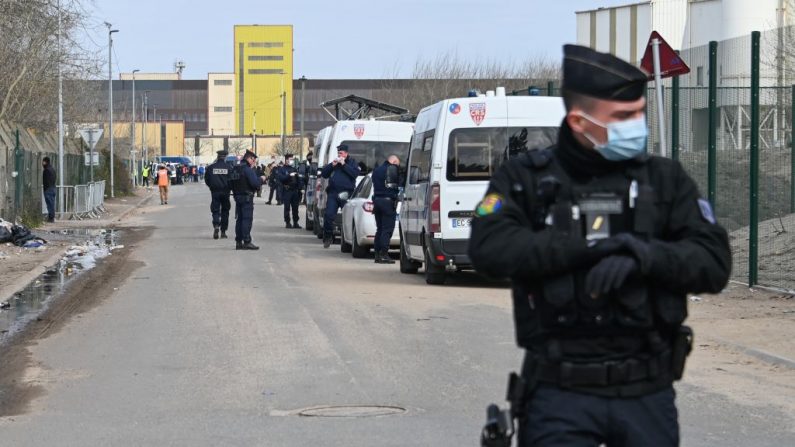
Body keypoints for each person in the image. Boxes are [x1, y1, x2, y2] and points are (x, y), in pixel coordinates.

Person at [469, 44, 732, 447]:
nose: (638, 125)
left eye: (640, 113)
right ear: (579, 121)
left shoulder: (664, 180)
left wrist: (644, 256)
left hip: (645, 389)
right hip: (559, 393)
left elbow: (714, 262)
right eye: (624, 117)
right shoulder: (525, 178)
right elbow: (488, 248)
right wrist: (584, 248)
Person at [320, 144, 360, 248]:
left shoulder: (352, 163)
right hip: (333, 193)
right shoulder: (335, 163)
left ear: (346, 153)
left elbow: (355, 174)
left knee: (347, 217)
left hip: (346, 194)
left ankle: (347, 240)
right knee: (328, 215)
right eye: (338, 153)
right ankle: (328, 237)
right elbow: (324, 174)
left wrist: (344, 165)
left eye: (341, 153)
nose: (339, 155)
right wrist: (331, 165)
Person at [231, 150, 266, 250]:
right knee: (247, 220)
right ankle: (247, 241)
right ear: (249, 158)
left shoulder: (236, 169)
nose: (254, 162)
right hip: (247, 198)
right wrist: (261, 179)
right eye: (253, 159)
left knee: (239, 220)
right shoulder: (247, 170)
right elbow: (255, 183)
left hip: (237, 197)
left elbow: (230, 182)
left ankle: (238, 242)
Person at [370, 155, 400, 264]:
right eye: (397, 164)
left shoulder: (376, 170)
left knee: (380, 229)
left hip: (377, 201)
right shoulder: (392, 169)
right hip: (387, 202)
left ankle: (377, 255)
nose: (397, 167)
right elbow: (398, 184)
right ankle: (384, 254)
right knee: (387, 230)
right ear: (394, 161)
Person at [204, 150, 232, 240]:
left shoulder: (211, 167)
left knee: (215, 210)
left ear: (218, 156)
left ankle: (216, 225)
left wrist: (211, 187)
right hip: (225, 192)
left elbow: (207, 180)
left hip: (215, 192)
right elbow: (232, 180)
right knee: (225, 211)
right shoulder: (229, 167)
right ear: (225, 157)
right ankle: (223, 232)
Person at [277, 154, 303, 229]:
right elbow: (281, 178)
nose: (291, 161)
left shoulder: (294, 169)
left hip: (295, 190)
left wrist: (300, 187)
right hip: (287, 190)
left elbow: (298, 179)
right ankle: (288, 222)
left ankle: (296, 222)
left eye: (292, 160)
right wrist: (289, 175)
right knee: (287, 207)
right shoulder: (282, 169)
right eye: (290, 159)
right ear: (286, 160)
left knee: (295, 207)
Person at [42, 156, 56, 222]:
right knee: (52, 203)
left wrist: (46, 189)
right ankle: (51, 217)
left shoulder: (46, 170)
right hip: (53, 188)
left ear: (46, 162)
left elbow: (46, 181)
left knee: (49, 204)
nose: (42, 163)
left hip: (48, 189)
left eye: (43, 162)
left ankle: (51, 218)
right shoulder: (52, 169)